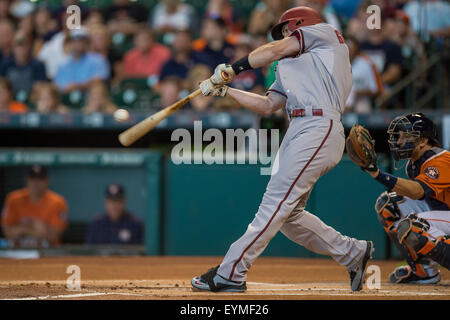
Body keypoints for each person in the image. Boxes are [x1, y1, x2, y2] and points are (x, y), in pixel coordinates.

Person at [191, 6, 373, 293]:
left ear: (302, 24)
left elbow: (275, 49)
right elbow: (268, 105)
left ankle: (231, 272)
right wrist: (225, 90)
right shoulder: (289, 66)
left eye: (288, 29)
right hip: (298, 129)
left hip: (319, 124)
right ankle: (352, 252)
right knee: (289, 216)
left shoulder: (325, 34)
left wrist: (233, 69)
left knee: (274, 204)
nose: (286, 35)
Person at [360, 113, 449, 283]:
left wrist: (378, 174)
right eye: (399, 136)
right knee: (388, 205)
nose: (399, 141)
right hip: (445, 212)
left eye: (406, 136)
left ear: (423, 141)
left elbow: (417, 191)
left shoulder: (441, 160)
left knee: (413, 226)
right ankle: (424, 271)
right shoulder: (413, 165)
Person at [1, 165, 69, 247]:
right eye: (32, 179)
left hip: (48, 253)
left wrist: (20, 228)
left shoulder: (58, 202)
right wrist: (34, 228)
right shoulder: (13, 199)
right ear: (27, 180)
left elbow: (52, 237)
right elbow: (7, 232)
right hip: (17, 251)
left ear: (47, 181)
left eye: (40, 179)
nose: (36, 183)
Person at [54, 27, 110, 93]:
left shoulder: (98, 60)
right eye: (74, 40)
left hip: (90, 99)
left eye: (81, 40)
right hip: (67, 100)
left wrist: (77, 87)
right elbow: (57, 86)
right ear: (69, 43)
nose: (78, 43)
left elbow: (99, 81)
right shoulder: (62, 65)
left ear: (87, 43)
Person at [0, 31, 47, 96]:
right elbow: (2, 86)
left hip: (31, 101)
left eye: (24, 45)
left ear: (29, 46)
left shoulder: (38, 65)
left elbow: (39, 88)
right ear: (13, 47)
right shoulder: (5, 64)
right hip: (9, 100)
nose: (21, 49)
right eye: (18, 45)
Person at [345, 36, 383, 114]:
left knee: (362, 108)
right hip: (341, 100)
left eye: (351, 48)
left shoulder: (367, 63)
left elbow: (377, 90)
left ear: (357, 49)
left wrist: (357, 93)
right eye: (347, 47)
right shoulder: (336, 63)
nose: (349, 51)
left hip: (361, 99)